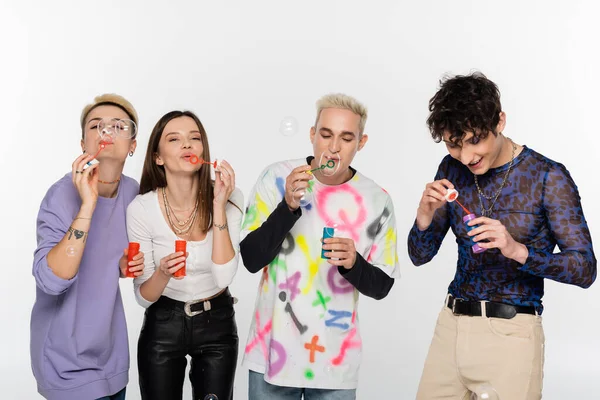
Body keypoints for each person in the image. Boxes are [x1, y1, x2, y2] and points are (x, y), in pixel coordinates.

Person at [408, 72, 597, 399]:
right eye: (454, 144)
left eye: (475, 140)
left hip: (511, 335)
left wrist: (517, 250)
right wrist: (424, 218)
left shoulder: (547, 176)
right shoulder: (450, 168)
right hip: (450, 328)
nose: (466, 157)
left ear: (500, 121)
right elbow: (419, 256)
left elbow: (585, 270)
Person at [240, 93, 399, 399]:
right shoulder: (276, 178)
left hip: (335, 364)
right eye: (326, 135)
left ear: (361, 143)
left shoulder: (377, 199)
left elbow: (382, 287)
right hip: (271, 354)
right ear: (312, 135)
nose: (334, 147)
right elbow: (250, 259)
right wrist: (287, 206)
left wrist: (354, 263)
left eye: (346, 138)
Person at [30, 94, 145, 400]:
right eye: (96, 126)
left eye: (119, 126)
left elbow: (113, 257)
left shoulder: (134, 192)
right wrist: (87, 205)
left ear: (132, 145)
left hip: (112, 358)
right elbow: (51, 281)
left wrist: (122, 266)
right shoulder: (60, 196)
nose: (107, 132)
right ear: (83, 143)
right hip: (63, 360)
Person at [126, 110, 243, 400]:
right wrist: (163, 274)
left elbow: (224, 275)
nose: (187, 144)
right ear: (158, 157)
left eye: (194, 138)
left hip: (216, 321)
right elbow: (143, 297)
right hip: (163, 322)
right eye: (175, 139)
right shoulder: (141, 209)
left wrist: (218, 206)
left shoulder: (231, 197)